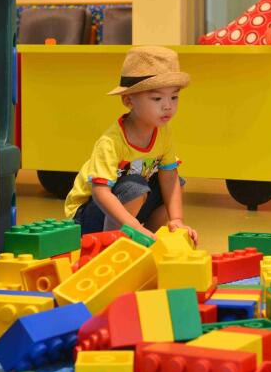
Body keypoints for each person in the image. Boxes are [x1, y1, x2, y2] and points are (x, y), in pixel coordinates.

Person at [64, 46, 198, 244]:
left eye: (174, 97)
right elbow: (100, 193)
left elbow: (169, 177)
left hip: (126, 208)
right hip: (88, 217)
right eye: (157, 98)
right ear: (128, 101)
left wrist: (177, 219)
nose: (168, 106)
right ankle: (111, 243)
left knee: (177, 182)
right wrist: (133, 225)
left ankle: (150, 238)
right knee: (135, 187)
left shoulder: (163, 132)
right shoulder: (111, 142)